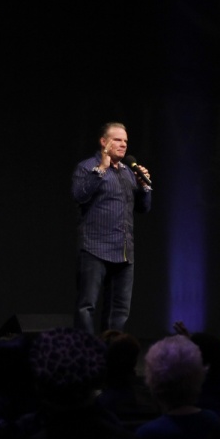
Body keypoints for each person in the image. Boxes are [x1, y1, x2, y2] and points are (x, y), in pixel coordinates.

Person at [72, 122, 152, 334]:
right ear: (103, 142)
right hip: (95, 248)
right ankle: (86, 349)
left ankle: (110, 349)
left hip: (124, 252)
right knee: (86, 306)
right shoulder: (87, 167)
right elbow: (79, 195)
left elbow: (143, 208)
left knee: (119, 310)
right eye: (117, 140)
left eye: (125, 141)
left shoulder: (128, 172)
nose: (123, 144)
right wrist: (101, 169)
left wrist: (144, 186)